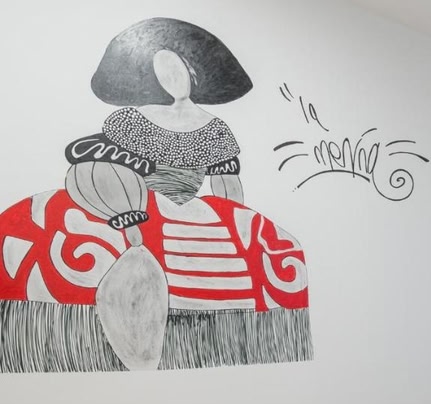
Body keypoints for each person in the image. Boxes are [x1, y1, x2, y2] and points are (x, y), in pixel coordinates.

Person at [0, 18, 311, 372]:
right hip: (134, 197)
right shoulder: (130, 120)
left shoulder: (214, 129)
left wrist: (235, 215)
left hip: (193, 204)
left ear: (194, 71)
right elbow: (107, 171)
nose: (171, 77)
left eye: (177, 67)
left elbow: (227, 183)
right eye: (161, 69)